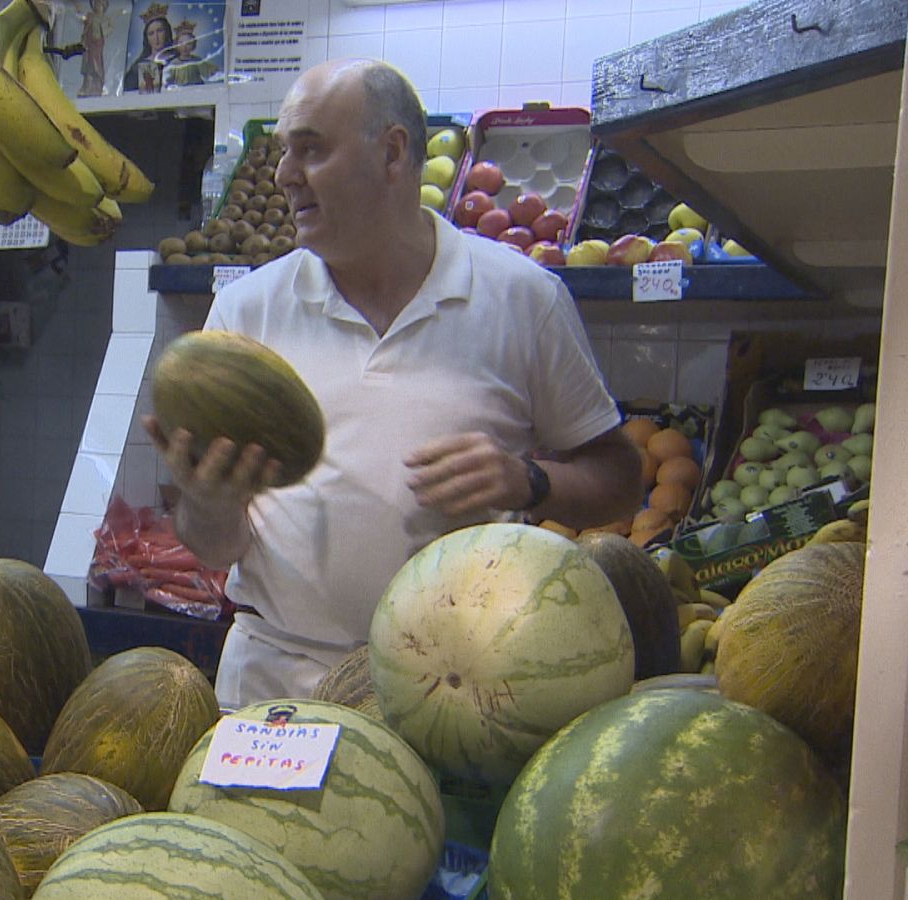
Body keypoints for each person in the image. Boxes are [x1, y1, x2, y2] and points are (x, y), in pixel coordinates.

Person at [144, 59, 642, 709]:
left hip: (457, 689)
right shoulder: (247, 314)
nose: (285, 175)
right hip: (277, 683)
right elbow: (218, 545)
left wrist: (530, 481)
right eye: (283, 153)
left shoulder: (524, 299)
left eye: (311, 150)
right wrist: (207, 501)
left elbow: (621, 481)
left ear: (393, 152)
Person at [123, 5, 176, 94]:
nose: (156, 37)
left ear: (167, 32)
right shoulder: (137, 67)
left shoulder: (177, 60)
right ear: (146, 38)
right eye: (151, 33)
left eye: (160, 31)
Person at [164, 20, 218, 88]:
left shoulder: (197, 61)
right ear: (176, 44)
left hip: (196, 91)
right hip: (179, 92)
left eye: (188, 44)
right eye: (181, 43)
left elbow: (207, 71)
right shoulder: (174, 63)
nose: (184, 47)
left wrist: (213, 71)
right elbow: (168, 78)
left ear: (193, 45)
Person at [78, 0, 111, 97]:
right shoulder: (90, 16)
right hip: (89, 45)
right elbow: (86, 28)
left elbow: (109, 30)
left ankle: (97, 87)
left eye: (100, 4)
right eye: (96, 4)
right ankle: (87, 87)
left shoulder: (105, 19)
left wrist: (104, 31)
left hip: (98, 45)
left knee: (97, 65)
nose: (98, 6)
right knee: (89, 66)